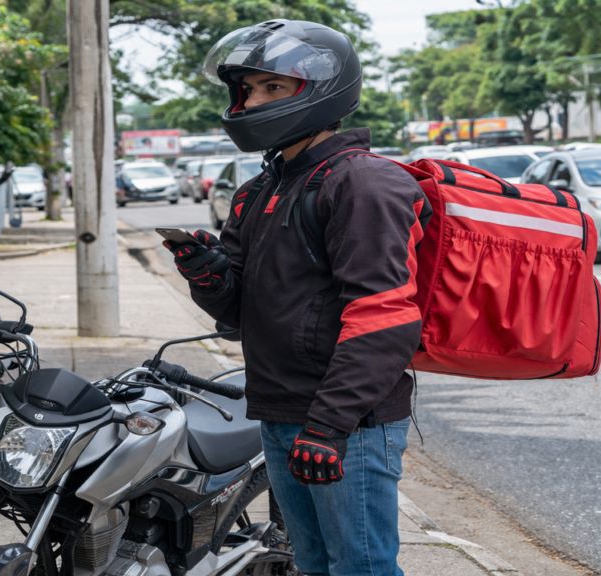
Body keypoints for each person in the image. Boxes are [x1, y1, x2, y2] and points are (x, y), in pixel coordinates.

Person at [163, 19, 429, 576]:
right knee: (310, 563)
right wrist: (205, 273)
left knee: (361, 567)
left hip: (348, 425)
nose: (252, 101)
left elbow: (384, 318)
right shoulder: (260, 189)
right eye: (247, 89)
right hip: (279, 413)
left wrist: (328, 427)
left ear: (322, 90)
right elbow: (239, 314)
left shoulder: (361, 184)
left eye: (273, 88)